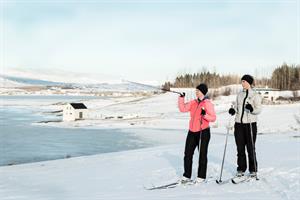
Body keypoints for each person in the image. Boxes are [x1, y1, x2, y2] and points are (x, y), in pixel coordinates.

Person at [178, 83, 216, 184]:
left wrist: (205, 115)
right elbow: (182, 109)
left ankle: (201, 176)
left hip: (203, 132)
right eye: (196, 91)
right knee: (187, 154)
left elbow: (213, 118)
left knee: (202, 155)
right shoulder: (193, 102)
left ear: (202, 92)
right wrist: (181, 98)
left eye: (198, 91)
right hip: (192, 132)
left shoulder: (207, 103)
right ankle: (187, 175)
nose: (196, 92)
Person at [228, 74, 262, 178]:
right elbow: (237, 108)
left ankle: (253, 169)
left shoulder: (255, 95)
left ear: (249, 83)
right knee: (240, 148)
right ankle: (241, 168)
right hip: (239, 125)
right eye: (242, 81)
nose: (242, 83)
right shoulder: (239, 94)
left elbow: (258, 110)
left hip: (250, 125)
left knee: (251, 148)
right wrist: (233, 110)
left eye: (244, 81)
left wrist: (252, 109)